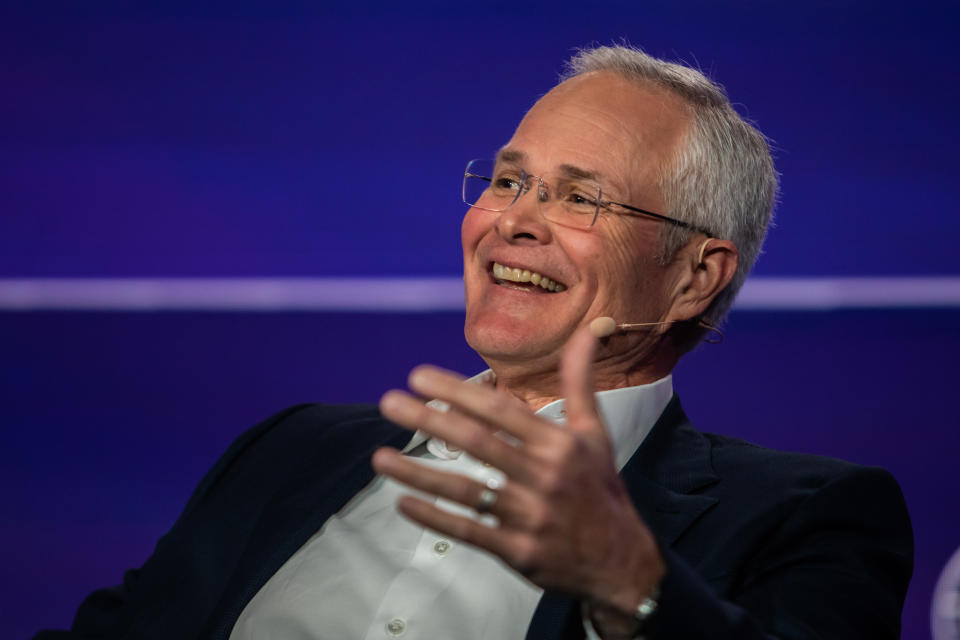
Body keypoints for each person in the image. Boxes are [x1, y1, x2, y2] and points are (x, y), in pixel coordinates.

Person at [35, 45, 912, 640]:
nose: (515, 222)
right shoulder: (290, 451)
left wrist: (630, 585)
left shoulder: (808, 515)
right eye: (507, 180)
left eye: (580, 198)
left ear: (694, 277)